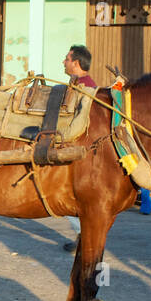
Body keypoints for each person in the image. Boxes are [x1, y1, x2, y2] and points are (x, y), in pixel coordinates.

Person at [61, 45, 98, 251]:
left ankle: (84, 238)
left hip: (79, 149)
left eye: (66, 59)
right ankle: (82, 237)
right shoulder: (76, 83)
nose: (64, 62)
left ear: (76, 63)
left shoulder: (86, 88)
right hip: (74, 146)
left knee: (71, 196)